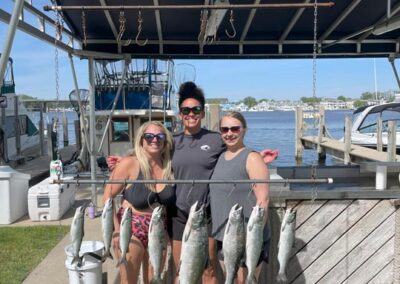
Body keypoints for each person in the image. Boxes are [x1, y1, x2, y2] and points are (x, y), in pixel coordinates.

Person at [107, 82, 278, 283]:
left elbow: (236, 148)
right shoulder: (171, 141)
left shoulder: (216, 139)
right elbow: (149, 153)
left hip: (207, 216)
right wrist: (124, 160)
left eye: (196, 109)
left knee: (209, 270)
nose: (191, 114)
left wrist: (257, 155)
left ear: (203, 113)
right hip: (178, 216)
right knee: (181, 270)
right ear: (180, 114)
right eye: (185, 110)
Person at [103, 121, 175, 284]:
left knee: (154, 280)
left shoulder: (169, 167)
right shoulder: (130, 164)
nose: (154, 140)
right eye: (149, 136)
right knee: (129, 280)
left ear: (165, 140)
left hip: (158, 229)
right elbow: (108, 196)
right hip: (131, 227)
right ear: (141, 140)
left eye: (160, 136)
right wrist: (115, 230)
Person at [209, 111, 270, 284]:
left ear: (244, 130)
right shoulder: (220, 157)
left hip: (247, 238)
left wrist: (252, 239)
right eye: (225, 129)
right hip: (223, 236)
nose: (229, 133)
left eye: (235, 128)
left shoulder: (252, 158)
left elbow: (263, 200)